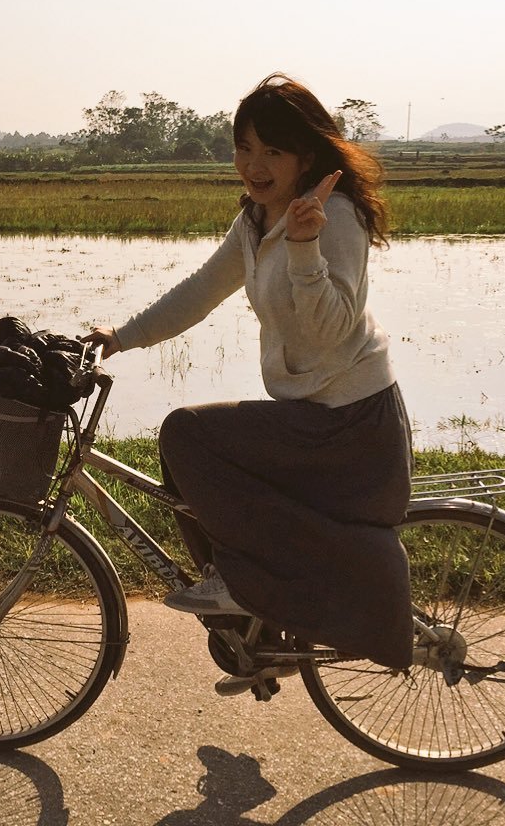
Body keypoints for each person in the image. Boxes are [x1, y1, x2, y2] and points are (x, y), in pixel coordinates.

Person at [82, 72, 415, 692]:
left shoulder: (333, 217)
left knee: (187, 432)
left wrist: (306, 248)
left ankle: (243, 585)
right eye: (244, 148)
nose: (254, 164)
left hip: (348, 423)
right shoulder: (258, 219)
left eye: (273, 151)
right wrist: (120, 337)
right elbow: (202, 291)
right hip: (312, 414)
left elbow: (329, 333)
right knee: (187, 472)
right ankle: (253, 618)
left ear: (306, 155)